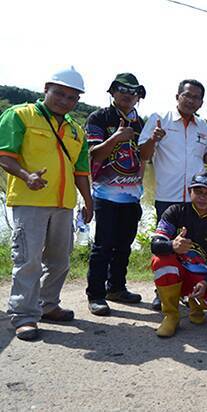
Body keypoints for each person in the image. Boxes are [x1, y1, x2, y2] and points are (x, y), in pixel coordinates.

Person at [0, 66, 93, 341]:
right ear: (46, 89)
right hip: (30, 201)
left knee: (60, 260)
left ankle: (48, 305)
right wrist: (26, 176)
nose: (65, 101)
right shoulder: (20, 115)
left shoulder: (77, 130)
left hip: (64, 203)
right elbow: (5, 156)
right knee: (28, 260)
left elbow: (81, 170)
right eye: (60, 94)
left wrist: (88, 201)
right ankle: (23, 315)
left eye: (72, 97)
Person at [138, 79, 207, 310]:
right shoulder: (159, 119)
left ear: (201, 102)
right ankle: (161, 292)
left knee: (191, 248)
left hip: (195, 200)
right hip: (167, 196)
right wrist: (154, 138)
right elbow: (143, 154)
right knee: (165, 245)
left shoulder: (202, 126)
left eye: (196, 98)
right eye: (187, 95)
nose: (191, 101)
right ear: (177, 96)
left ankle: (187, 290)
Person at [85, 73, 147, 316]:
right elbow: (94, 155)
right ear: (112, 92)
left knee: (124, 245)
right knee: (103, 246)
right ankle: (96, 295)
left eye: (133, 91)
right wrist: (117, 137)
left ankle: (117, 288)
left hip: (132, 195)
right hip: (105, 195)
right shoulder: (99, 117)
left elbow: (144, 157)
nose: (128, 94)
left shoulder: (140, 122)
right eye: (122, 89)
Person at [149, 171, 207, 337]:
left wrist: (206, 282)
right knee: (160, 261)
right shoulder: (174, 211)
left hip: (201, 277)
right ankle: (171, 315)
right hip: (179, 274)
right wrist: (172, 245)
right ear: (190, 192)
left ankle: (195, 302)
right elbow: (155, 245)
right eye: (198, 191)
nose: (202, 197)